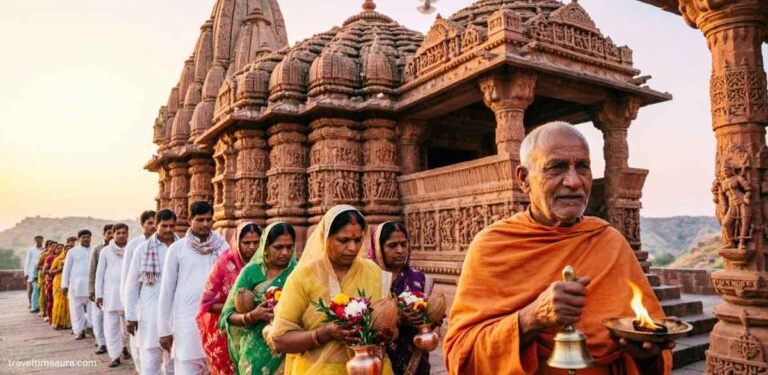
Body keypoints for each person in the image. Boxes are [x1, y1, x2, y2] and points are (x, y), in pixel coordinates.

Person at [443, 122, 673, 375]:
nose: (574, 182)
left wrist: (647, 356)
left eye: (582, 167)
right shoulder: (493, 246)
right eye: (557, 167)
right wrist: (531, 318)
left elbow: (653, 338)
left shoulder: (609, 241)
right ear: (523, 179)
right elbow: (460, 354)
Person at [271, 205, 394, 375]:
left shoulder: (373, 272)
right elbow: (279, 340)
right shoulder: (303, 277)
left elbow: (392, 327)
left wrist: (385, 334)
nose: (352, 248)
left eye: (358, 240)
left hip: (370, 368)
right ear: (325, 238)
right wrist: (324, 333)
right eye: (344, 240)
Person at [158, 201, 229, 374]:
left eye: (208, 220)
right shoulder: (177, 249)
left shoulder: (222, 246)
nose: (205, 224)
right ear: (190, 219)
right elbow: (166, 291)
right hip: (187, 325)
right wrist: (164, 330)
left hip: (216, 324)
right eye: (200, 220)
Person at [220, 222, 298, 375]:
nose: (285, 253)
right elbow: (227, 315)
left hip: (289, 348)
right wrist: (251, 316)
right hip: (254, 351)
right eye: (278, 247)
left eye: (289, 247)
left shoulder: (297, 271)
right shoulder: (250, 272)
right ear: (266, 247)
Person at [196, 222, 261, 375]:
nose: (252, 247)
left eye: (256, 242)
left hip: (257, 330)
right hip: (227, 333)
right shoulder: (224, 264)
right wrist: (236, 308)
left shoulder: (265, 264)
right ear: (237, 242)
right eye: (246, 243)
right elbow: (206, 303)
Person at [370, 222, 431, 375]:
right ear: (378, 248)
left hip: (416, 357)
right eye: (392, 246)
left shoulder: (419, 279)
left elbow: (427, 320)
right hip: (382, 356)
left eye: (404, 244)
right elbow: (365, 320)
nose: (400, 250)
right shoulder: (370, 279)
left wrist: (431, 318)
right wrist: (398, 317)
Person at [125, 209, 178, 375]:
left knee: (174, 363)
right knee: (150, 363)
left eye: (172, 226)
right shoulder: (142, 249)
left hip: (175, 313)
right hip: (150, 312)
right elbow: (132, 284)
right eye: (164, 226)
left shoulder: (181, 247)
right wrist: (131, 316)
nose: (168, 230)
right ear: (156, 225)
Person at [121, 210, 156, 372]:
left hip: (157, 302)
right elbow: (128, 278)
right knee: (138, 343)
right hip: (138, 301)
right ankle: (140, 369)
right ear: (142, 225)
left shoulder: (171, 243)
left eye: (156, 222)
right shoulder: (135, 246)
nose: (153, 226)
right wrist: (128, 309)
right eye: (149, 223)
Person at [96, 223, 132, 367]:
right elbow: (100, 274)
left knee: (127, 327)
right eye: (118, 233)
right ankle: (114, 356)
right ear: (113, 234)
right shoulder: (105, 251)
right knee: (111, 327)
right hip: (110, 295)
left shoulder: (132, 249)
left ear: (128, 234)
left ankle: (124, 347)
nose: (121, 235)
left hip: (128, 295)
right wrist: (99, 294)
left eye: (124, 233)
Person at [62, 230, 93, 340]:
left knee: (92, 310)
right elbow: (66, 269)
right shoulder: (72, 252)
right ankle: (80, 331)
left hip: (91, 286)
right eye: (84, 237)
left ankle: (91, 327)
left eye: (88, 237)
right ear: (79, 239)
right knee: (76, 310)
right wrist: (64, 284)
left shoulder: (95, 250)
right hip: (75, 285)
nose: (86, 239)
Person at [89, 224, 113, 354]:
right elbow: (92, 270)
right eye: (108, 233)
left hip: (113, 289)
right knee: (98, 317)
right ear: (104, 234)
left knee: (114, 319)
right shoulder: (98, 249)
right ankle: (102, 343)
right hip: (100, 288)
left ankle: (121, 346)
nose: (111, 235)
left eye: (112, 233)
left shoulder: (122, 248)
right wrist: (92, 289)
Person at [51, 238, 76, 330]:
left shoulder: (74, 259)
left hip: (71, 281)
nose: (68, 251)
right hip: (59, 281)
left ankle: (69, 323)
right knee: (58, 302)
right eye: (66, 249)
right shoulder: (58, 259)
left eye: (70, 250)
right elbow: (51, 271)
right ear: (64, 250)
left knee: (69, 303)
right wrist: (60, 269)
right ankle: (58, 322)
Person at [24, 236, 44, 312]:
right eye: (37, 240)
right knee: (30, 288)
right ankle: (30, 303)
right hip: (31, 270)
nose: (38, 241)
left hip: (40, 270)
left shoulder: (44, 249)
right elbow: (27, 261)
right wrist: (26, 273)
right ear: (34, 240)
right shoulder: (31, 249)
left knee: (40, 288)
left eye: (40, 239)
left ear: (42, 240)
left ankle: (39, 304)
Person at [43, 243, 62, 321]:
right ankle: (51, 317)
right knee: (51, 300)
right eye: (58, 248)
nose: (60, 249)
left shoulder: (67, 258)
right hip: (52, 281)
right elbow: (45, 270)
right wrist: (58, 270)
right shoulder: (50, 258)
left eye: (62, 248)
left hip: (64, 282)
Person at [36, 241, 55, 318]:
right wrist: (47, 268)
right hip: (44, 275)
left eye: (55, 246)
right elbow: (38, 266)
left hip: (53, 276)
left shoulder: (57, 255)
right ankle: (43, 311)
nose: (53, 248)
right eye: (52, 246)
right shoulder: (44, 255)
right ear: (48, 247)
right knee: (44, 294)